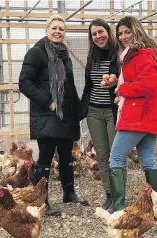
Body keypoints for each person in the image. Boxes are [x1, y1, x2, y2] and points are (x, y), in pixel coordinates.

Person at [19, 15, 88, 216]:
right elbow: (24, 82)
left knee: (66, 156)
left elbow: (69, 86)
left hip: (65, 114)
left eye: (61, 29)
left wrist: (77, 108)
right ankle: (42, 200)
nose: (58, 31)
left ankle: (69, 192)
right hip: (47, 114)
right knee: (45, 158)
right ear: (47, 29)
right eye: (54, 28)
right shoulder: (36, 53)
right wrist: (47, 102)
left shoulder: (64, 54)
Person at [109, 16, 157, 212]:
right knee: (147, 160)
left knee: (116, 157)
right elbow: (140, 79)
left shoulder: (141, 55)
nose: (124, 36)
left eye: (128, 32)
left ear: (137, 31)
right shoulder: (134, 55)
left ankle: (118, 209)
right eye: (120, 33)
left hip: (139, 115)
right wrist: (118, 83)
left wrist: (123, 89)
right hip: (148, 115)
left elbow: (148, 85)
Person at [79, 19, 126, 211]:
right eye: (94, 34)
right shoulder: (92, 56)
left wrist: (116, 84)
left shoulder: (119, 55)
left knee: (117, 155)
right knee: (102, 155)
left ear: (108, 32)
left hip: (113, 111)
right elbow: (89, 86)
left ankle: (120, 196)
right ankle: (109, 194)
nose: (98, 36)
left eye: (101, 32)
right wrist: (81, 108)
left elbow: (126, 80)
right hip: (94, 112)